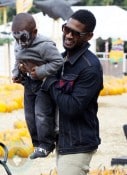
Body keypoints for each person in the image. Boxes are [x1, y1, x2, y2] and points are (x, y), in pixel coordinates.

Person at [42, 9, 103, 175]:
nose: (69, 35)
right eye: (66, 29)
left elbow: (72, 107)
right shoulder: (60, 60)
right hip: (63, 140)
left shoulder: (90, 67)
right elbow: (46, 91)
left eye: (76, 33)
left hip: (78, 144)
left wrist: (49, 82)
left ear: (89, 36)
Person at [11, 13, 64, 159]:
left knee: (41, 114)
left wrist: (40, 71)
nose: (20, 42)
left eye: (23, 38)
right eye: (16, 38)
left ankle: (46, 144)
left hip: (44, 84)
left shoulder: (45, 45)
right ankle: (37, 144)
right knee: (29, 115)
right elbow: (17, 60)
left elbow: (58, 62)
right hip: (29, 83)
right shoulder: (18, 44)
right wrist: (16, 73)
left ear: (34, 32)